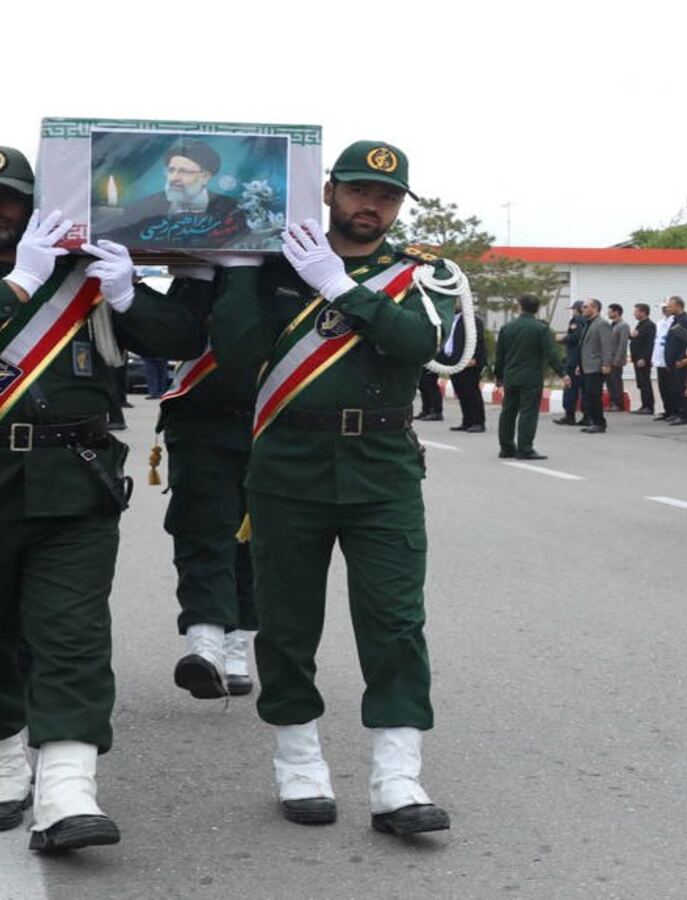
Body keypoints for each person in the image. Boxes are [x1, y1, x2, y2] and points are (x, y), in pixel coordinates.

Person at [0, 145, 205, 852]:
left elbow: (184, 339)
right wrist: (21, 282)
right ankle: (0, 767)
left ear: (35, 204)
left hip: (73, 479)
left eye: (8, 197)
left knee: (72, 635)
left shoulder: (83, 269)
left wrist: (125, 293)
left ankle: (67, 790)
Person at [207, 139, 455, 835]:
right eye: (356, 190)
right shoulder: (275, 267)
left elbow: (422, 345)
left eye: (386, 195)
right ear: (329, 193)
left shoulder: (421, 274)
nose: (370, 204)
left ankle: (398, 778)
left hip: (382, 465)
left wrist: (341, 287)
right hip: (289, 463)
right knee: (287, 624)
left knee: (396, 624)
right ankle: (298, 763)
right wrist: (234, 271)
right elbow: (238, 356)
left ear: (399, 204)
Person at [155, 272, 259, 701]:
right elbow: (170, 334)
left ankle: (238, 641)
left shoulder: (289, 266)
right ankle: (205, 641)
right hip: (202, 417)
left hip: (271, 418)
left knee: (257, 539)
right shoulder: (196, 268)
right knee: (201, 529)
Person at [102, 139, 248, 250]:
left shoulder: (228, 209)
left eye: (184, 171)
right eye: (171, 170)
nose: (174, 178)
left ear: (205, 177)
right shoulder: (143, 208)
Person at [495, 294, 566, 459]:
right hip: (531, 377)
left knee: (508, 411)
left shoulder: (507, 327)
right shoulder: (541, 328)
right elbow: (551, 354)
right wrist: (562, 373)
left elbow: (500, 355)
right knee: (528, 412)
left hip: (510, 376)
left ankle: (506, 448)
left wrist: (498, 375)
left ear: (520, 306)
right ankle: (525, 448)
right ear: (537, 309)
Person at [445, 310, 487, 432]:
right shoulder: (450, 320)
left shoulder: (472, 320)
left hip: (469, 362)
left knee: (471, 392)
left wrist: (475, 358)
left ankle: (478, 422)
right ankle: (467, 420)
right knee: (461, 391)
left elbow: (478, 340)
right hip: (454, 361)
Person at [661, 296, 687, 425]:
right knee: (674, 389)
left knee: (682, 388)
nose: (668, 308)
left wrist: (683, 359)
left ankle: (685, 415)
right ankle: (676, 412)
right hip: (672, 361)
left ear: (678, 306)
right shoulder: (675, 320)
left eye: (671, 306)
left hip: (681, 362)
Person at [578, 299, 610, 432]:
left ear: (595, 308)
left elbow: (607, 346)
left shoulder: (602, 324)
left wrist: (606, 363)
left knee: (593, 395)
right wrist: (579, 365)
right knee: (588, 395)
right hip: (586, 365)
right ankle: (593, 421)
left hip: (596, 366)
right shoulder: (589, 323)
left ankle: (599, 423)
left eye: (585, 307)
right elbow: (585, 346)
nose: (582, 309)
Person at [553, 300, 586, 425]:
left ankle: (569, 415)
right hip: (581, 359)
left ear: (577, 309)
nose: (572, 312)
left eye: (573, 309)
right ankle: (586, 416)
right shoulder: (586, 321)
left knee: (570, 387)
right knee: (583, 389)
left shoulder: (576, 320)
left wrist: (562, 338)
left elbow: (576, 337)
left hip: (574, 359)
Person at [629, 302, 657, 416]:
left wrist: (644, 358)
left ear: (643, 312)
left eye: (636, 311)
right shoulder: (640, 324)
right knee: (641, 383)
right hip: (637, 359)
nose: (634, 314)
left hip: (643, 359)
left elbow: (649, 344)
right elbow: (637, 338)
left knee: (645, 382)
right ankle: (644, 405)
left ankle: (649, 406)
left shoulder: (649, 325)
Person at [603, 303, 630, 411]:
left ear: (616, 312)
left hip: (616, 359)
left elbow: (622, 344)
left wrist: (618, 359)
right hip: (608, 358)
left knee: (616, 381)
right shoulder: (611, 325)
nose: (608, 313)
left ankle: (618, 403)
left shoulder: (623, 325)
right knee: (609, 381)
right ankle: (612, 402)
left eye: (610, 311)